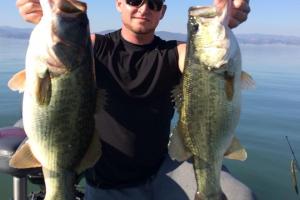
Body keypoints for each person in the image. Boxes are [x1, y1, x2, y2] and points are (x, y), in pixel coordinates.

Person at [16, 0, 255, 199]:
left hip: (164, 169)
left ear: (162, 12)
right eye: (134, 0)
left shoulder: (173, 53)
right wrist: (46, 16)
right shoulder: (95, 48)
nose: (144, 9)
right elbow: (67, 49)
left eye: (153, 4)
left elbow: (199, 60)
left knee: (240, 196)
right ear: (119, 4)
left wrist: (222, 21)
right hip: (107, 184)